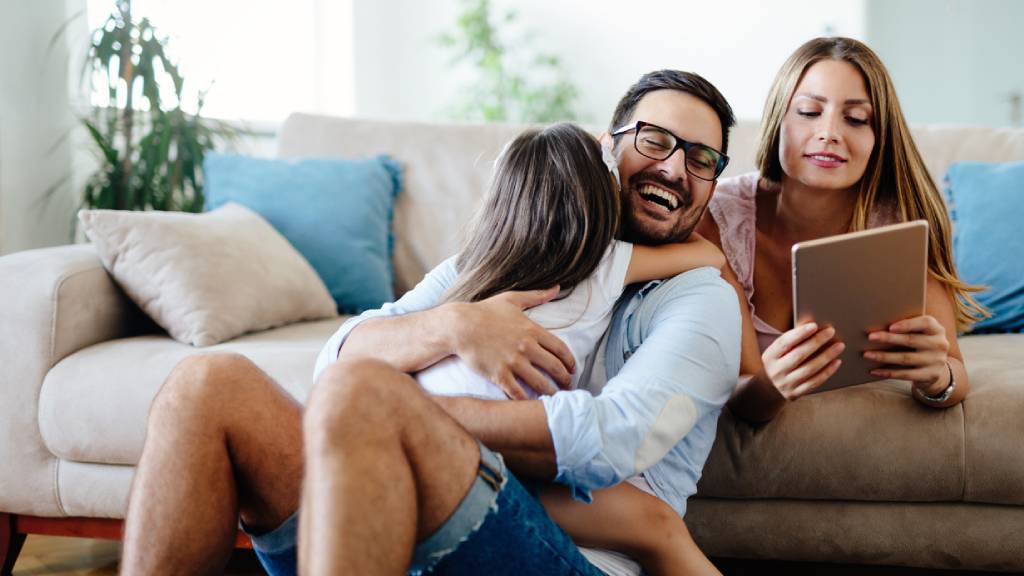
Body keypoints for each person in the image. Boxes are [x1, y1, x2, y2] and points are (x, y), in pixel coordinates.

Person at [120, 70, 740, 576]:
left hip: (557, 553)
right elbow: (336, 357)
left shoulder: (699, 299)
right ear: (609, 146)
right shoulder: (499, 263)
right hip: (391, 506)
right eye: (657, 140)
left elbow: (622, 438)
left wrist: (402, 420)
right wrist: (453, 328)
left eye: (703, 158)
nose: (676, 168)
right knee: (204, 385)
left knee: (363, 394)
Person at [413, 121, 726, 575]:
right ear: (601, 206)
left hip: (426, 426)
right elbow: (711, 257)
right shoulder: (603, 266)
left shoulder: (475, 271)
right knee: (651, 525)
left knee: (653, 526)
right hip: (502, 452)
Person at [697, 37, 988, 424]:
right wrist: (770, 386)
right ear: (777, 120)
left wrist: (937, 378)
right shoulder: (719, 218)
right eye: (808, 111)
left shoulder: (901, 225)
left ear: (878, 137)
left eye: (855, 119)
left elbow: (953, 373)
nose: (829, 132)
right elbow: (742, 403)